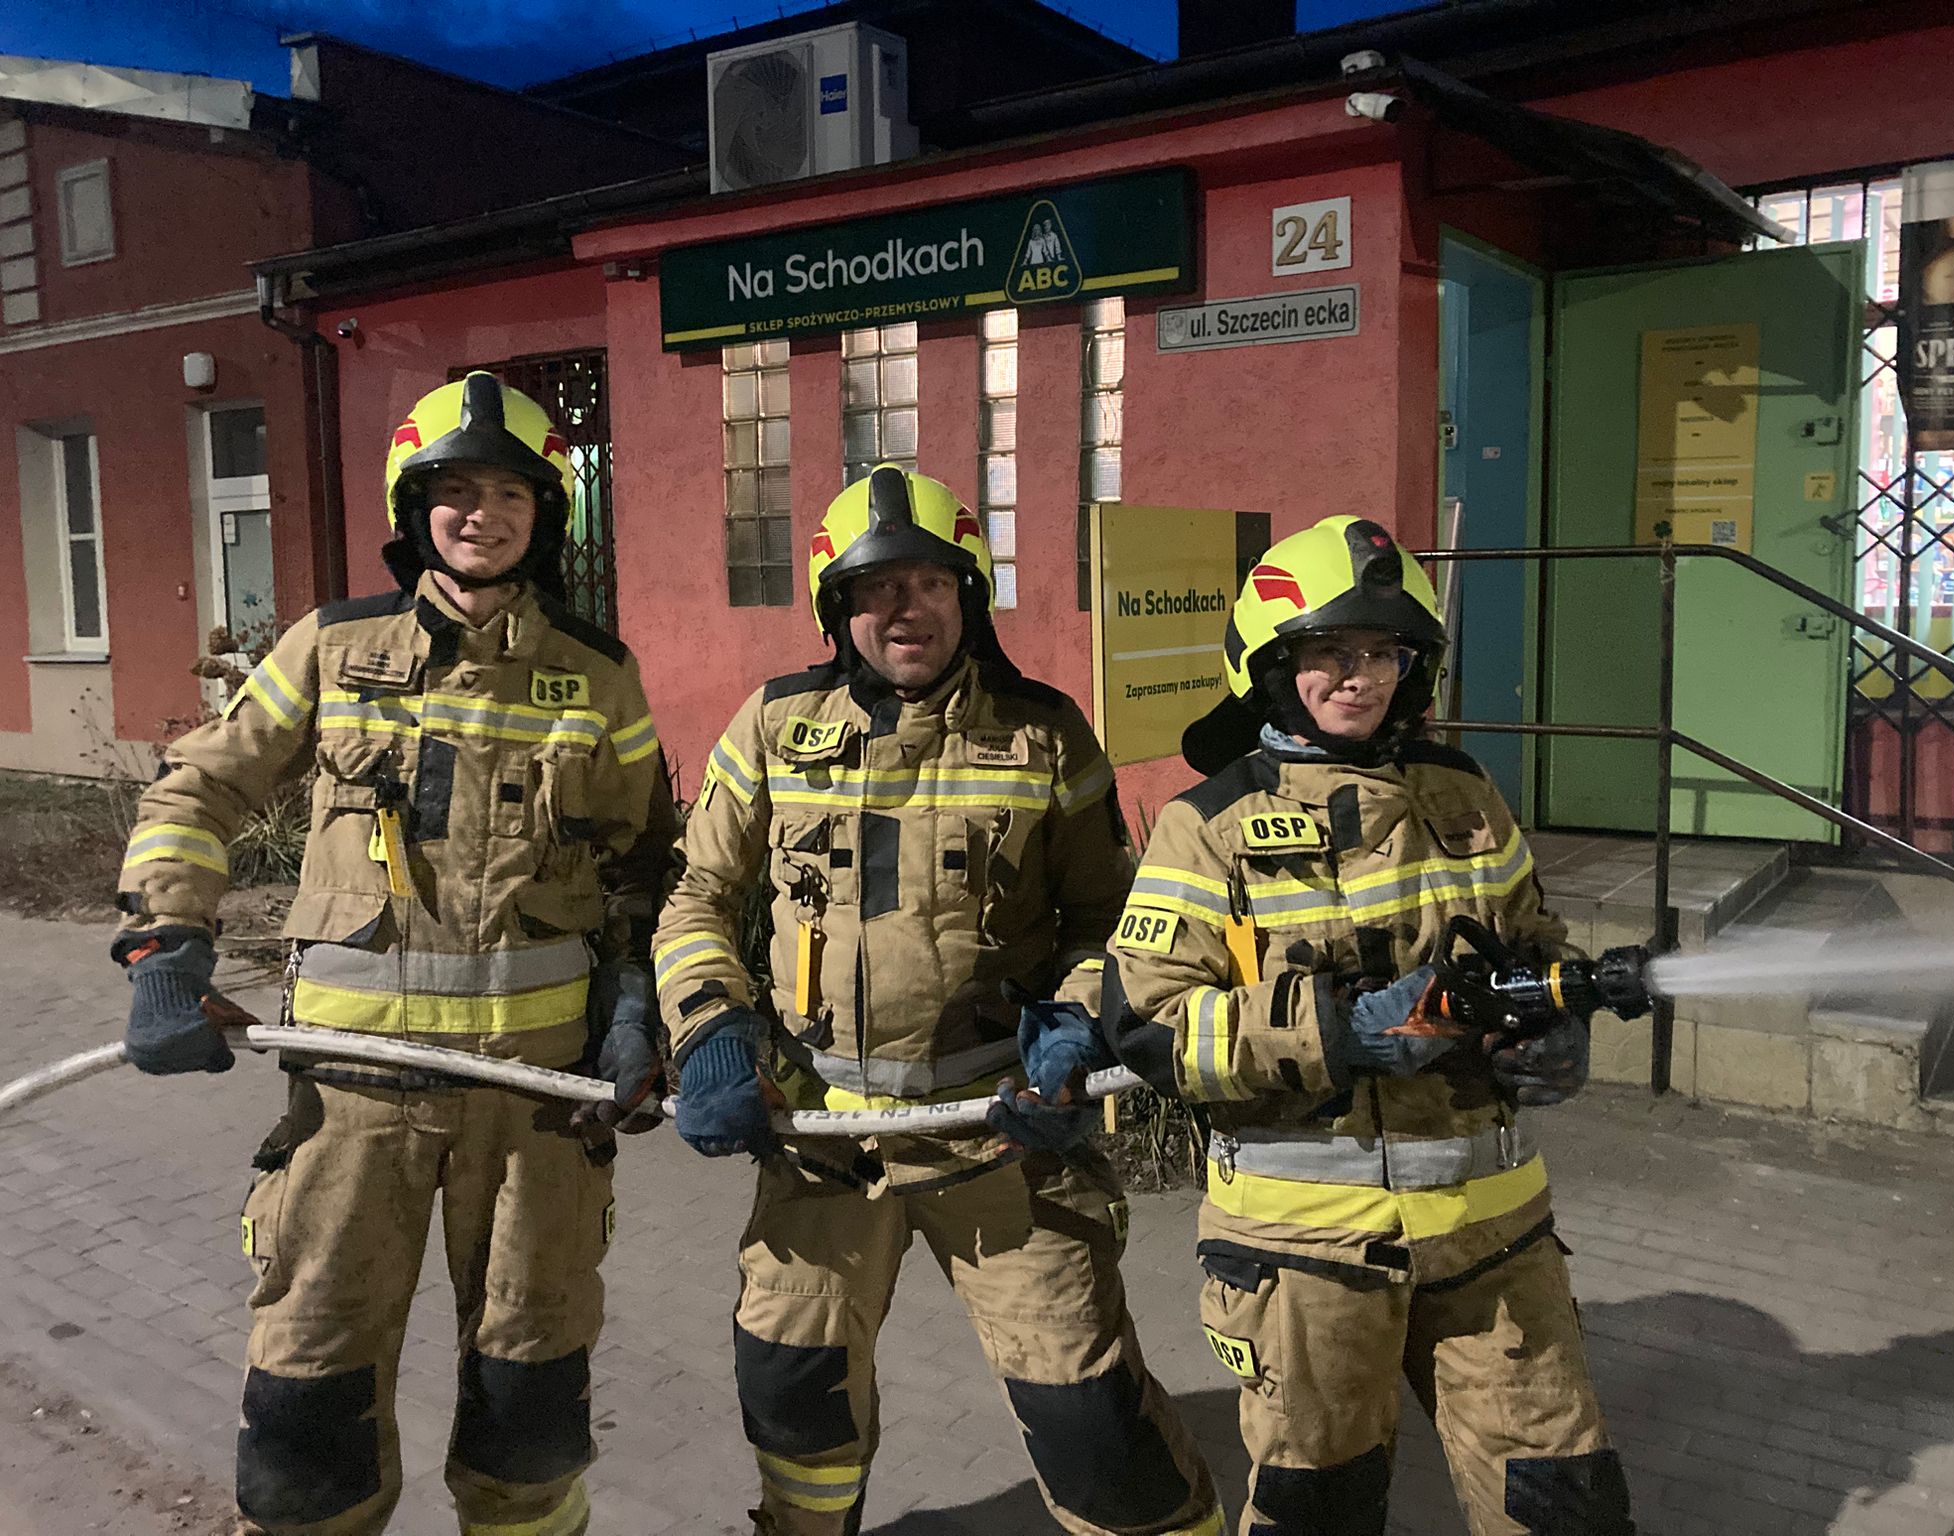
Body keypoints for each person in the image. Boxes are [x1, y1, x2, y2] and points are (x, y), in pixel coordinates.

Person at [112, 372, 675, 1536]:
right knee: (308, 1407)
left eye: (509, 493)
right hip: (351, 1100)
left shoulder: (598, 672)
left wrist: (637, 1011)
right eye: (454, 490)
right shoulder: (333, 645)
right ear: (413, 506)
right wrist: (168, 942)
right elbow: (198, 785)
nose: (481, 514)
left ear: (545, 513)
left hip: (536, 1107)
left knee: (531, 1403)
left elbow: (644, 863)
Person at [653, 465, 1222, 1536]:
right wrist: (713, 1029)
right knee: (792, 1398)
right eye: (876, 588)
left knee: (1090, 1423)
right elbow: (696, 897)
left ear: (968, 596)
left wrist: (1072, 1027)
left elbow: (1110, 921)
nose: (904, 608)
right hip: (821, 1140)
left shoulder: (1046, 733)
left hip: (998, 1133)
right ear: (836, 607)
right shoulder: (773, 723)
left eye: (929, 582)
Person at [1104, 515, 1635, 1536]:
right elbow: (1149, 1028)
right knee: (1319, 1509)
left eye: (1383, 652)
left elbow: (1530, 941)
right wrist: (1340, 1032)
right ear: (1272, 665)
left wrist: (1551, 1021)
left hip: (1494, 1237)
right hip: (1303, 1255)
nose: (1359, 677)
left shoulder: (1464, 794)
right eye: (1329, 652)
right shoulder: (1205, 826)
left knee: (1567, 1504)